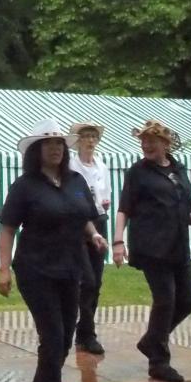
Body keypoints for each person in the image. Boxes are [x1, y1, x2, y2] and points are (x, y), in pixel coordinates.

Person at [0, 118, 107, 382]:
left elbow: (82, 215)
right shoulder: (25, 186)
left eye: (59, 143)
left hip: (71, 267)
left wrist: (93, 234)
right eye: (49, 144)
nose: (56, 149)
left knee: (63, 340)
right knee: (54, 337)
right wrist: (3, 269)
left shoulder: (75, 181)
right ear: (37, 150)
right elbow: (8, 228)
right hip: (36, 269)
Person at [111, 121, 191, 382]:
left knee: (187, 301)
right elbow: (124, 208)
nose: (146, 145)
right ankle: (159, 361)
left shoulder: (179, 169)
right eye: (143, 141)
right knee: (165, 300)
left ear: (166, 144)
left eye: (152, 141)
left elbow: (183, 205)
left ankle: (151, 340)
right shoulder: (137, 172)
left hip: (178, 245)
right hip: (151, 246)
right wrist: (118, 242)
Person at [67, 122, 112, 355]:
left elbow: (105, 194)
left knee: (97, 281)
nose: (90, 141)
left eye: (94, 137)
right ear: (78, 141)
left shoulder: (102, 166)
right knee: (87, 281)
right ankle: (86, 332)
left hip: (99, 220)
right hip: (78, 224)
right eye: (86, 136)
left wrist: (104, 203)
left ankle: (85, 331)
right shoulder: (71, 166)